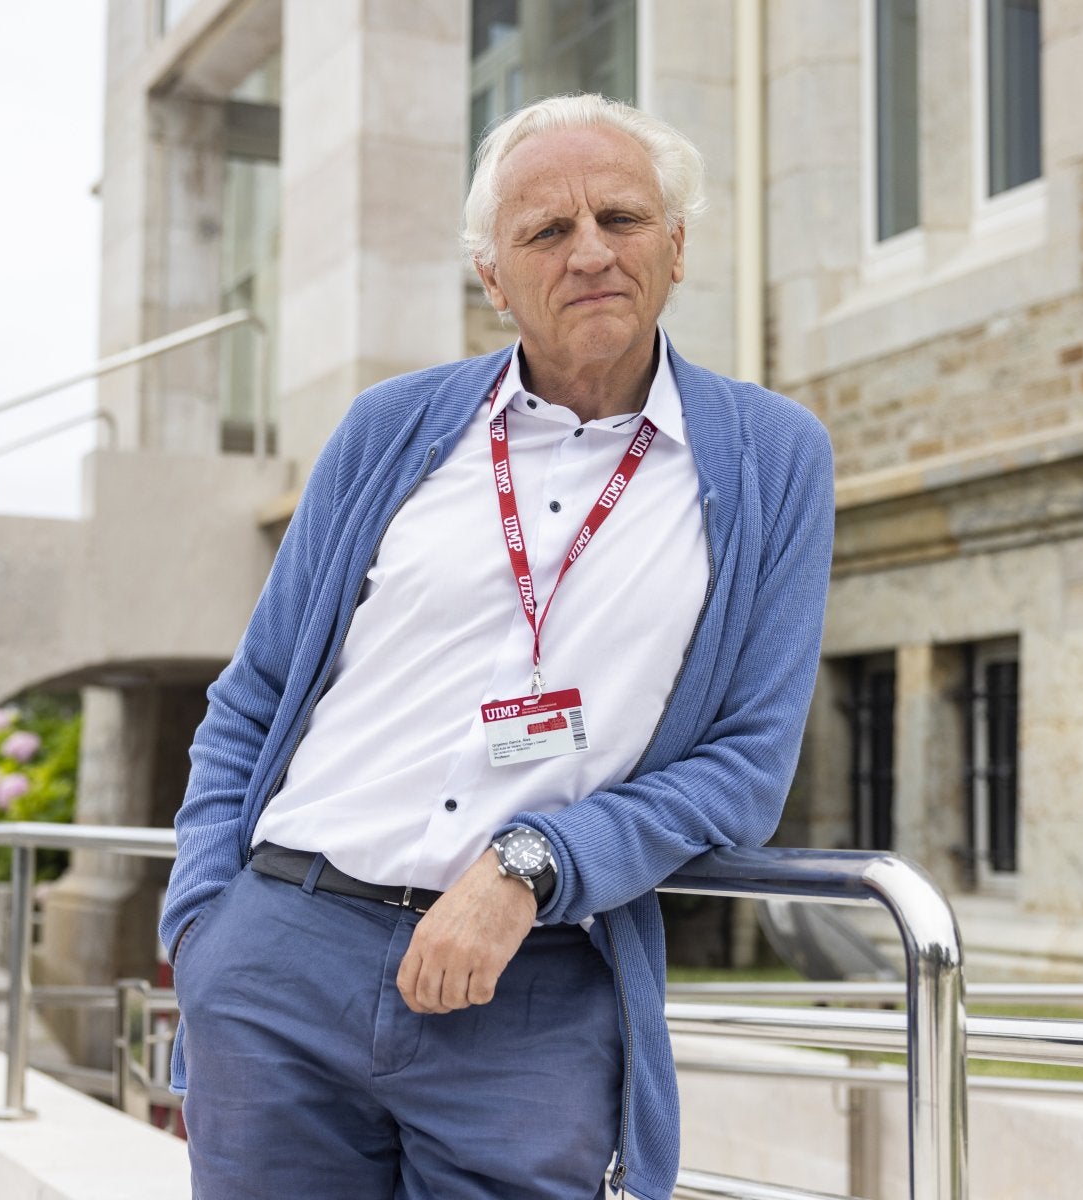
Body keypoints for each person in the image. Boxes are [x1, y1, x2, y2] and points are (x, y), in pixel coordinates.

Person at [160, 93, 835, 1200]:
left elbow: (744, 769)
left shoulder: (772, 458)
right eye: (546, 232)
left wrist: (533, 865)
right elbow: (259, 691)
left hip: (532, 992)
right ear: (492, 276)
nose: (590, 253)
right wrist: (204, 929)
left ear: (676, 246)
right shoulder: (392, 427)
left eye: (620, 218)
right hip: (285, 957)